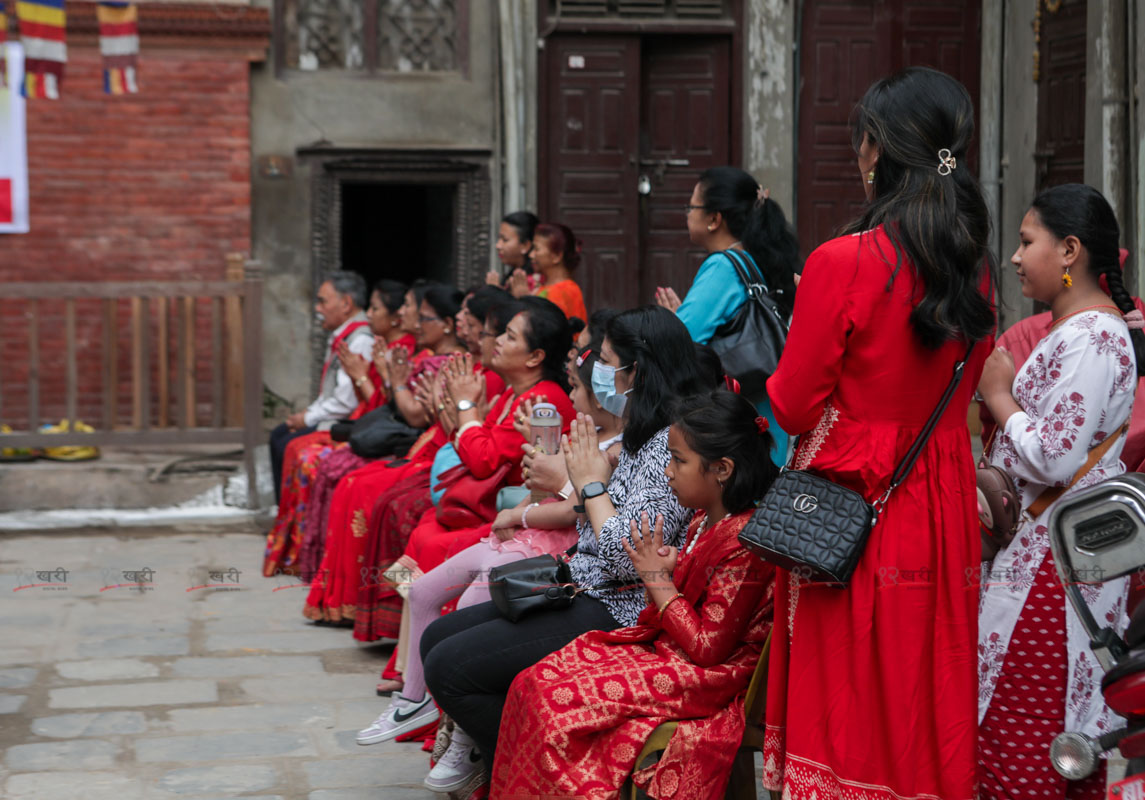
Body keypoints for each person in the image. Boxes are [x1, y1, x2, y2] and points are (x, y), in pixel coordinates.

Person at [762, 67, 996, 800]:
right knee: (925, 679)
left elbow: (794, 406)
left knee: (851, 688)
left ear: (875, 149)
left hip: (857, 502)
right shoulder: (971, 267)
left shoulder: (842, 261)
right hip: (939, 494)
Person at [418, 306, 708, 795]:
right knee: (437, 640)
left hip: (621, 605)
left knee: (452, 669)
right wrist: (578, 486)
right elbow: (591, 524)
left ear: (638, 372)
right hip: (579, 580)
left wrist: (590, 488)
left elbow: (627, 557)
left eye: (608, 360)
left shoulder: (670, 446)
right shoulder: (637, 435)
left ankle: (541, 778)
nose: (597, 371)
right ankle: (508, 768)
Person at [492, 389, 778, 800]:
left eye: (678, 461)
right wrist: (668, 570)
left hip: (710, 675)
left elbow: (708, 647)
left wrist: (656, 578)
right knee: (530, 683)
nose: (667, 472)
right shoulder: (704, 518)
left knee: (554, 702)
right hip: (671, 650)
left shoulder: (745, 541)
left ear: (722, 469)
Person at [354, 341, 624, 746]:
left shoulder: (563, 412)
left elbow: (562, 501)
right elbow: (533, 486)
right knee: (423, 585)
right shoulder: (559, 420)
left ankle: (462, 740)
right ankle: (414, 699)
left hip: (538, 538)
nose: (568, 396)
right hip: (515, 524)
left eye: (577, 387)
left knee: (464, 601)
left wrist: (467, 413)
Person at [976, 184, 1142, 799]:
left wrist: (999, 397)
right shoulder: (1080, 331)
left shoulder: (1094, 337)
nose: (1015, 257)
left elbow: (1054, 454)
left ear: (1069, 250)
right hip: (1051, 554)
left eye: (1027, 242)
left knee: (1028, 724)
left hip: (1054, 563)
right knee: (1022, 719)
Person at [262, 279, 412, 578]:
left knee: (317, 460)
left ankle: (321, 559)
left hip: (393, 435)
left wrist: (364, 377)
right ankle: (297, 545)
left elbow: (396, 411)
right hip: (376, 425)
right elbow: (384, 406)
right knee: (288, 443)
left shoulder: (384, 346)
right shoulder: (389, 346)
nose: (369, 316)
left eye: (376, 308)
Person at [653, 166, 801, 464]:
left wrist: (671, 321)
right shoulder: (756, 259)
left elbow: (680, 341)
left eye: (691, 206)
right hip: (767, 415)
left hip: (738, 425)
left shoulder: (722, 266)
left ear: (714, 219)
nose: (687, 214)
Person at [268, 271, 374, 502]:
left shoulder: (360, 340)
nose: (317, 308)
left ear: (346, 303)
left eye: (323, 301)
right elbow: (331, 392)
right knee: (279, 435)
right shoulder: (343, 335)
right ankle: (285, 518)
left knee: (287, 443)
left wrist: (308, 419)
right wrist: (308, 414)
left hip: (347, 421)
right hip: (333, 415)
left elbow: (347, 402)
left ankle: (293, 521)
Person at [509, 222, 588, 323]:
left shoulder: (562, 291)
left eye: (536, 249)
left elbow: (545, 332)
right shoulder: (548, 287)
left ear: (556, 256)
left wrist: (524, 300)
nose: (531, 255)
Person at [486, 211, 538, 289]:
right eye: (499, 239)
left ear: (525, 246)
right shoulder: (510, 277)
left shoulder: (535, 281)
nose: (498, 246)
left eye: (505, 240)